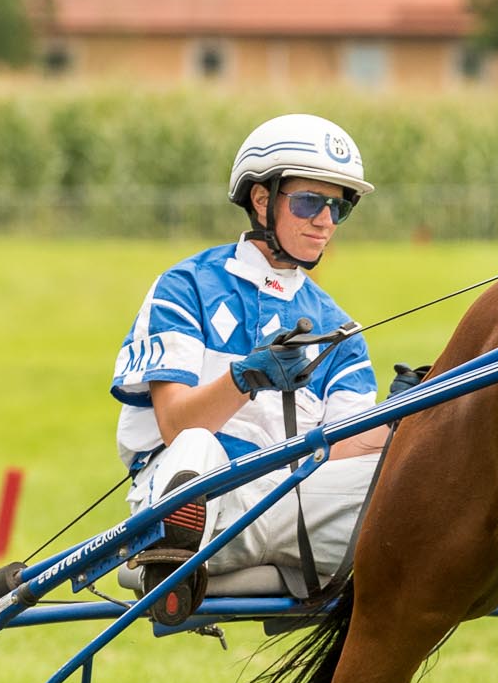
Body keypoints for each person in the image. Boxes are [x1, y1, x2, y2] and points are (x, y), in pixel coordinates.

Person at [111, 114, 388, 596]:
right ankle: (171, 554)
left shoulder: (341, 331)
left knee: (407, 474)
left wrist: (404, 424)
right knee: (199, 447)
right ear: (262, 200)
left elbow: (342, 454)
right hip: (204, 499)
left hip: (292, 506)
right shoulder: (185, 288)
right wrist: (244, 379)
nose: (324, 222)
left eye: (337, 209)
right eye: (308, 203)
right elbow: (176, 425)